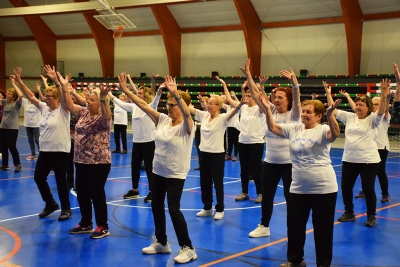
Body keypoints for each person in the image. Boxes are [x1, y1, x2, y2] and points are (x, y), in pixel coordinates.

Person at [118, 72, 197, 264]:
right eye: (168, 105)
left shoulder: (187, 126)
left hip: (176, 174)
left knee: (173, 209)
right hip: (158, 171)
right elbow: (143, 105)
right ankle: (162, 243)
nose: (168, 108)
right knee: (156, 206)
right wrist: (126, 90)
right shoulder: (162, 119)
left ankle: (188, 247)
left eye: (172, 105)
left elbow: (187, 113)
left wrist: (176, 94)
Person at [261, 88, 341, 267]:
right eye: (303, 111)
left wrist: (331, 115)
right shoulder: (294, 129)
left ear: (318, 116)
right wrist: (267, 109)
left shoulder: (323, 129)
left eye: (308, 112)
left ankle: (323, 264)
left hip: (323, 189)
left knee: (322, 230)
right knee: (295, 226)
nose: (304, 114)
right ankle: (295, 260)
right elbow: (273, 127)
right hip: (298, 188)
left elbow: (334, 134)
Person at [239, 59, 301, 238]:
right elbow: (255, 93)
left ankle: (293, 229)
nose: (276, 99)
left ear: (288, 101)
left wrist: (294, 84)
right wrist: (249, 75)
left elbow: (297, 100)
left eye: (281, 97)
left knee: (291, 199)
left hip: (290, 164)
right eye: (275, 97)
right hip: (270, 162)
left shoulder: (294, 114)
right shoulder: (270, 111)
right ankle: (264, 226)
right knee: (267, 196)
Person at [51, 67, 113, 239]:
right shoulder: (84, 112)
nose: (88, 102)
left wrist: (103, 100)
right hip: (81, 160)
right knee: (83, 193)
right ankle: (86, 223)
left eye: (92, 100)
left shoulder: (103, 118)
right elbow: (68, 104)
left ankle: (103, 226)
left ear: (99, 102)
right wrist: (63, 86)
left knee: (97, 194)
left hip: (98, 162)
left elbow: (107, 116)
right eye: (89, 99)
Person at [324, 79, 389, 227]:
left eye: (361, 105)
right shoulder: (350, 117)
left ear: (368, 108)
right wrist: (328, 93)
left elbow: (381, 111)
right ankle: (349, 212)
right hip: (349, 159)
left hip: (368, 161)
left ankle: (371, 215)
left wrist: (384, 94)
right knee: (346, 187)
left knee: (368, 189)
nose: (358, 107)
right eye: (357, 104)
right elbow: (333, 109)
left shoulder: (373, 119)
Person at [13, 67, 71, 221]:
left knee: (60, 181)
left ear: (57, 98)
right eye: (45, 95)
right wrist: (19, 82)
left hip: (59, 150)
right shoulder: (44, 108)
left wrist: (55, 81)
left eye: (50, 96)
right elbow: (31, 97)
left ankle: (66, 208)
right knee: (39, 177)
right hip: (45, 151)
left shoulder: (63, 109)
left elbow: (63, 95)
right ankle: (51, 203)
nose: (46, 98)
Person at [190, 92, 245, 220]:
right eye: (207, 103)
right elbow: (189, 109)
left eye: (211, 103)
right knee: (205, 182)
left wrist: (239, 105)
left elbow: (233, 113)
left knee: (218, 183)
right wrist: (177, 95)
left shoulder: (222, 118)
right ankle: (207, 207)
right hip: (203, 153)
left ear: (218, 106)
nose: (208, 105)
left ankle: (220, 208)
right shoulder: (203, 116)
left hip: (217, 155)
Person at [109, 74, 160, 202]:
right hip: (137, 142)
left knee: (149, 167)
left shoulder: (150, 106)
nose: (138, 94)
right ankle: (135, 190)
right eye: (139, 93)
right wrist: (109, 94)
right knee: (134, 166)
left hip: (149, 142)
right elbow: (120, 103)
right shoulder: (134, 107)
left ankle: (153, 191)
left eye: (141, 93)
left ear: (146, 95)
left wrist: (158, 90)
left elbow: (157, 98)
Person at [340, 90, 392, 203]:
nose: (375, 106)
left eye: (377, 104)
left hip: (380, 147)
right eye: (374, 104)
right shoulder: (367, 116)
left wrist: (385, 98)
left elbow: (384, 109)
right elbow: (356, 107)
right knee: (362, 176)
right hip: (368, 146)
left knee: (380, 171)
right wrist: (348, 95)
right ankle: (364, 190)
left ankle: (385, 193)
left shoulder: (381, 116)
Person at [221, 77, 264, 203]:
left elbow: (263, 99)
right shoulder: (243, 107)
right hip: (243, 142)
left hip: (256, 143)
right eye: (247, 95)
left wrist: (261, 87)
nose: (248, 97)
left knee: (255, 170)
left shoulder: (259, 108)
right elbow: (229, 99)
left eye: (251, 95)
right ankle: (244, 192)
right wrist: (224, 85)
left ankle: (260, 193)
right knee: (243, 169)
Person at [0, 77, 23, 172]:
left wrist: (14, 84)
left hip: (12, 128)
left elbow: (20, 95)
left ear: (13, 96)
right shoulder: (4, 102)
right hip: (2, 127)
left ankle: (17, 164)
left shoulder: (17, 103)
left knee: (12, 146)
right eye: (7, 93)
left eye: (9, 93)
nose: (7, 94)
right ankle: (5, 164)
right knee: (3, 146)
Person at [23, 83, 43, 161]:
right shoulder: (25, 102)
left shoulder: (38, 102)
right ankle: (33, 153)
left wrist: (38, 90)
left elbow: (42, 99)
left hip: (36, 125)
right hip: (28, 124)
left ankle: (41, 154)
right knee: (30, 139)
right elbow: (21, 95)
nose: (30, 95)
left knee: (37, 140)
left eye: (32, 94)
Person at [194, 96, 209, 170]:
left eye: (203, 102)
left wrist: (203, 100)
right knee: (198, 148)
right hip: (198, 131)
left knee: (203, 149)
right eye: (201, 102)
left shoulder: (208, 112)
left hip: (205, 133)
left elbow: (206, 109)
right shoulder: (200, 112)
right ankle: (201, 164)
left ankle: (205, 164)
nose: (201, 103)